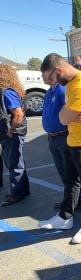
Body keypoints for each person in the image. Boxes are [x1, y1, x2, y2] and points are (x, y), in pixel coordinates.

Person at [38, 53, 81, 244]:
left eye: (51, 78)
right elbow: (65, 115)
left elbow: (63, 118)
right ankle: (65, 217)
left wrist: (66, 114)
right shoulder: (70, 83)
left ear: (59, 70)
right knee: (71, 181)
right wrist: (67, 113)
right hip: (74, 139)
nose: (51, 83)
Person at [41, 72, 81, 210]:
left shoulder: (61, 89)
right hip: (52, 138)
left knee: (70, 173)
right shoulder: (49, 92)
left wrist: (75, 118)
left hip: (63, 137)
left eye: (43, 75)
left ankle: (78, 201)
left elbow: (75, 109)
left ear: (50, 75)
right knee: (63, 172)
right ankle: (70, 200)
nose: (42, 77)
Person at [0, 65, 30, 207]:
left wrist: (11, 129)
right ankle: (22, 190)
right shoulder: (7, 90)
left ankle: (17, 193)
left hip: (13, 133)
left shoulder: (6, 92)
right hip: (12, 133)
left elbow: (18, 114)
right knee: (16, 162)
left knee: (14, 164)